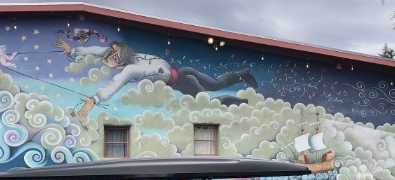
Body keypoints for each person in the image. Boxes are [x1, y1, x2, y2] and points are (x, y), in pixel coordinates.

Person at [53, 39, 258, 117]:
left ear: (121, 57)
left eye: (112, 56)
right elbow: (99, 50)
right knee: (213, 86)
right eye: (109, 53)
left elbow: (116, 83)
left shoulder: (131, 68)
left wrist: (95, 99)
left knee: (211, 96)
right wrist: (73, 51)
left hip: (183, 81)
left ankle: (239, 91)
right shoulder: (127, 57)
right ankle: (241, 83)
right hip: (182, 73)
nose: (107, 57)